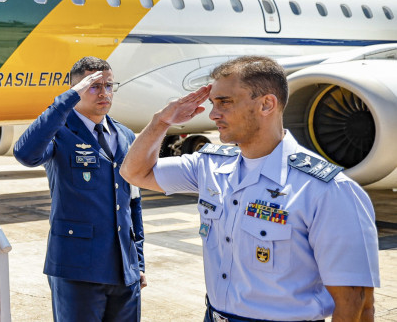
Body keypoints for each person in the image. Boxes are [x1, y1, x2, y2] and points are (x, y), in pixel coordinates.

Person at [120, 55, 379, 322]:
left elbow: (356, 303)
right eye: (213, 103)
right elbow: (134, 172)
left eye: (225, 102)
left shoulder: (326, 189)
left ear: (267, 104)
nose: (213, 114)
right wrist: (161, 122)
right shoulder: (210, 167)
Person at [14, 56, 146, 322]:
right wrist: (68, 98)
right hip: (77, 269)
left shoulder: (125, 136)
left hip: (124, 270)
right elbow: (25, 154)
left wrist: (138, 261)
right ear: (76, 90)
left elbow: (133, 202)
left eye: (109, 85)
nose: (104, 93)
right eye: (94, 86)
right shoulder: (59, 131)